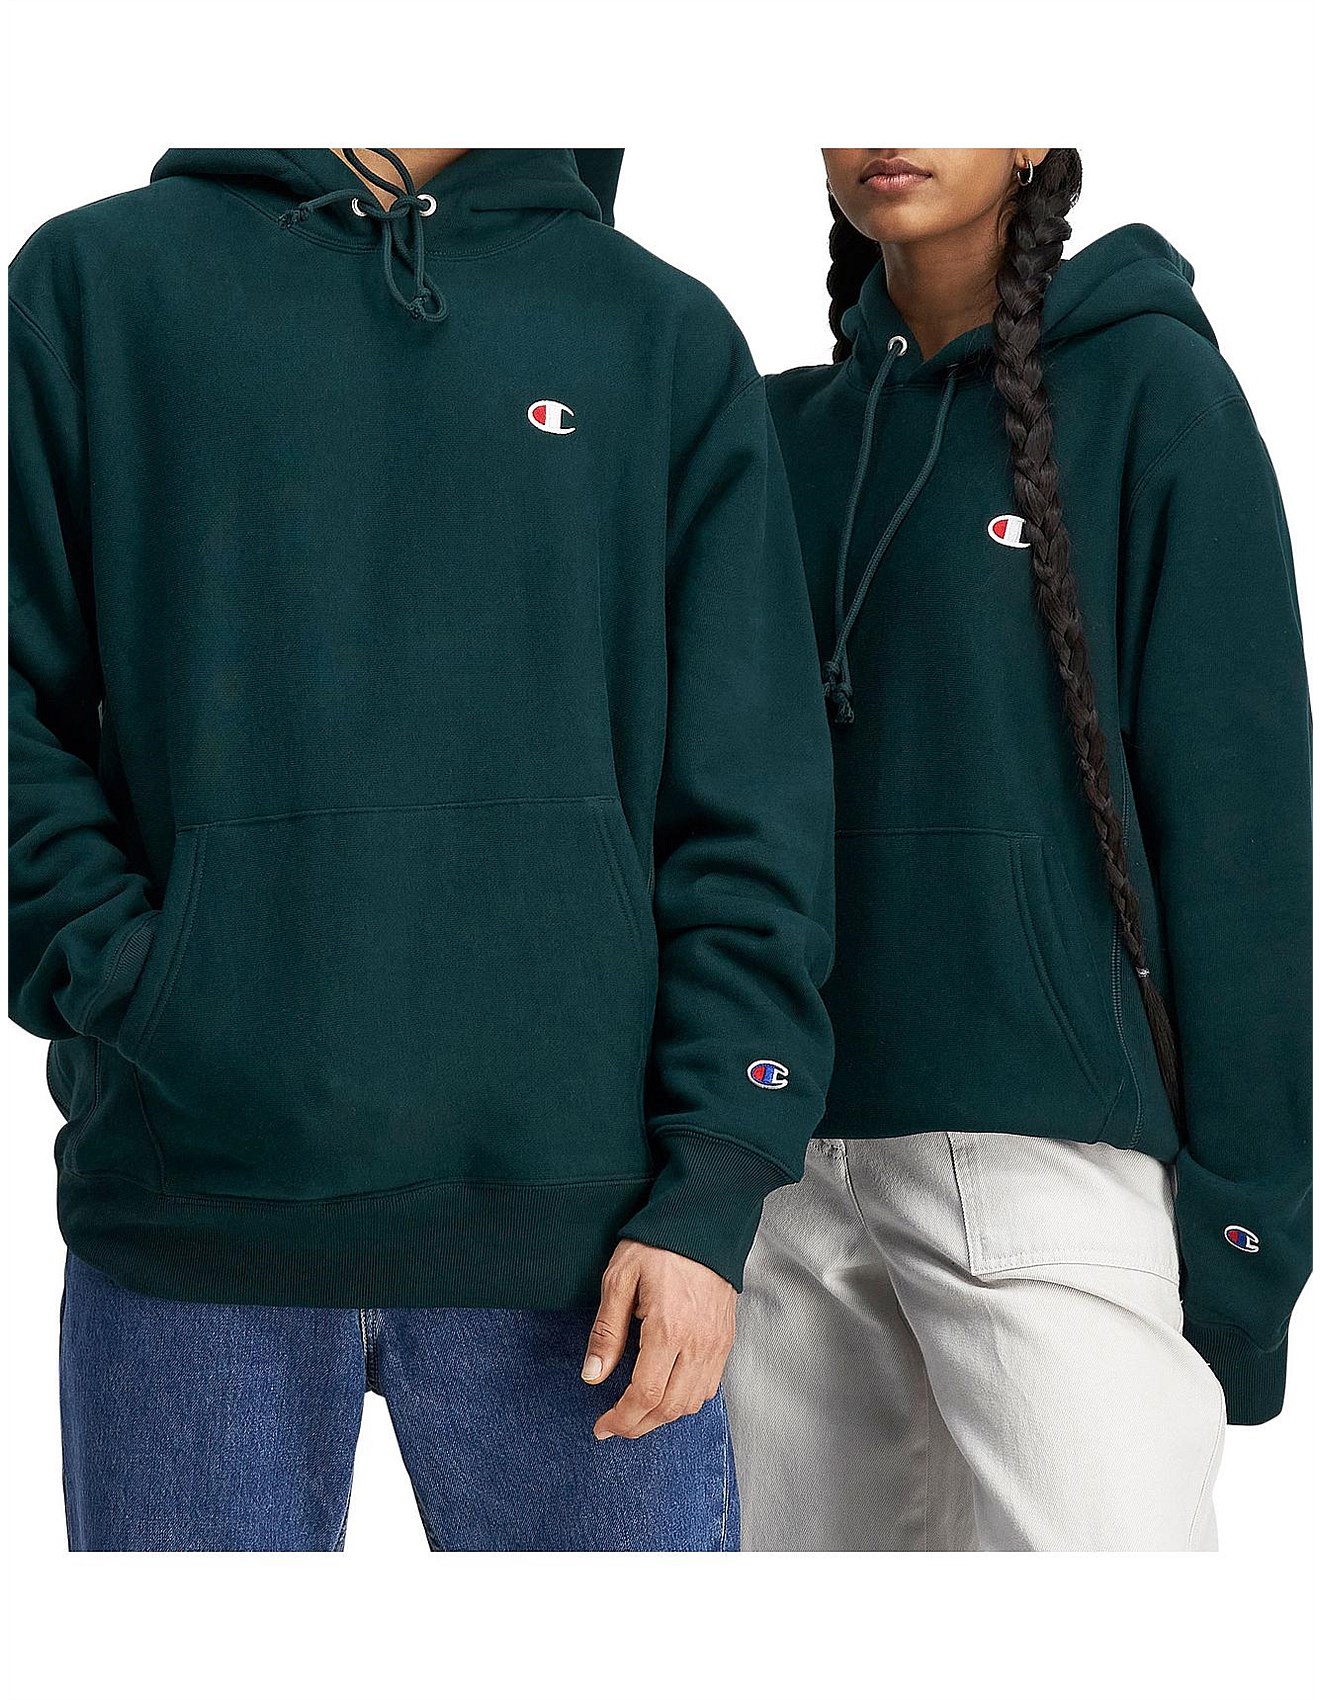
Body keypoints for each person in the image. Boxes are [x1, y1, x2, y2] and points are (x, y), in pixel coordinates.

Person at [9, 147, 834, 1551]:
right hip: (194, 1205)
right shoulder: (98, 286)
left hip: (596, 1241)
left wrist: (714, 1182)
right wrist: (142, 984)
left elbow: (750, 800)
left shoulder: (654, 331)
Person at [724, 148, 1311, 1550]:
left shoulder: (1153, 396)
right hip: (783, 1179)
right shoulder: (773, 436)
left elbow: (1240, 833)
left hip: (1047, 1157)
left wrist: (1248, 1233)